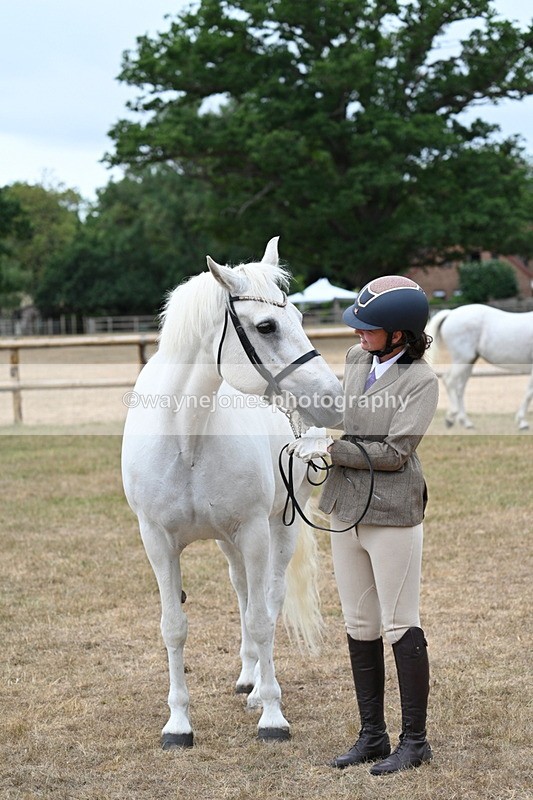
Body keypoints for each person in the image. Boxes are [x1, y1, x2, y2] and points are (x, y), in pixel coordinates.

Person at [292, 275, 438, 775]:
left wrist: (332, 449)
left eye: (368, 327)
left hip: (392, 512)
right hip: (345, 506)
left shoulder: (421, 382)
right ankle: (372, 735)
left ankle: (415, 742)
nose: (358, 333)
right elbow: (344, 413)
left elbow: (396, 453)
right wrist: (301, 415)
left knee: (399, 623)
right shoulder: (357, 359)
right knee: (359, 624)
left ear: (399, 334)